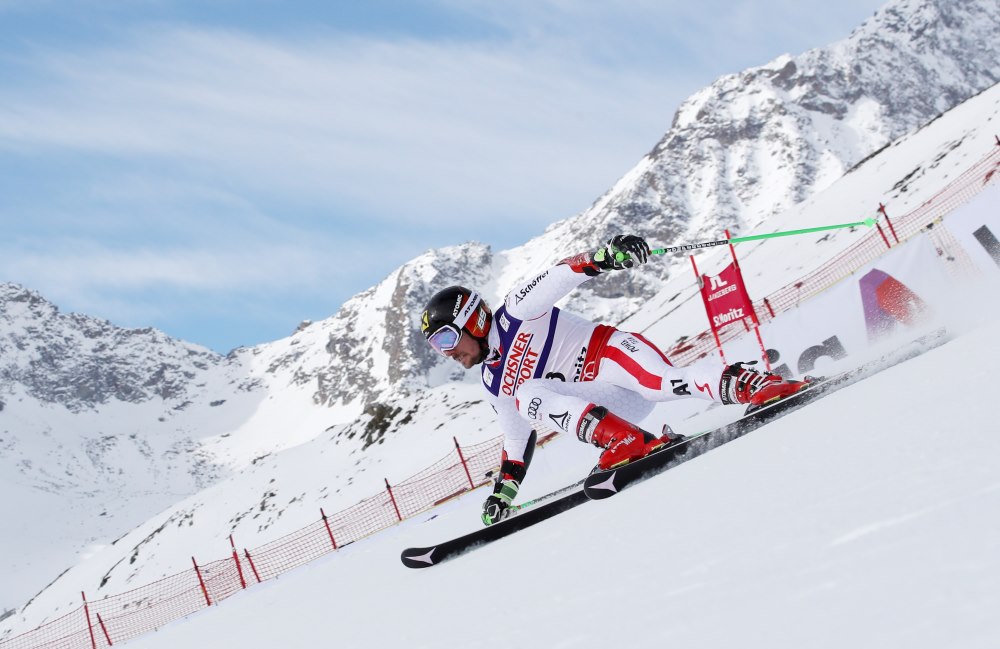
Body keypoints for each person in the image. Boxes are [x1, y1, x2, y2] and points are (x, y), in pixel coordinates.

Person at [420, 235, 806, 525]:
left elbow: (561, 274)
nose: (448, 352)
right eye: (437, 347)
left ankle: (757, 385)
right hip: (609, 404)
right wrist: (503, 494)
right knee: (527, 396)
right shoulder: (493, 381)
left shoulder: (517, 311)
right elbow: (517, 439)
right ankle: (624, 439)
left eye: (446, 338)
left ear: (471, 320)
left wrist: (605, 256)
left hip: (613, 355)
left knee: (663, 384)